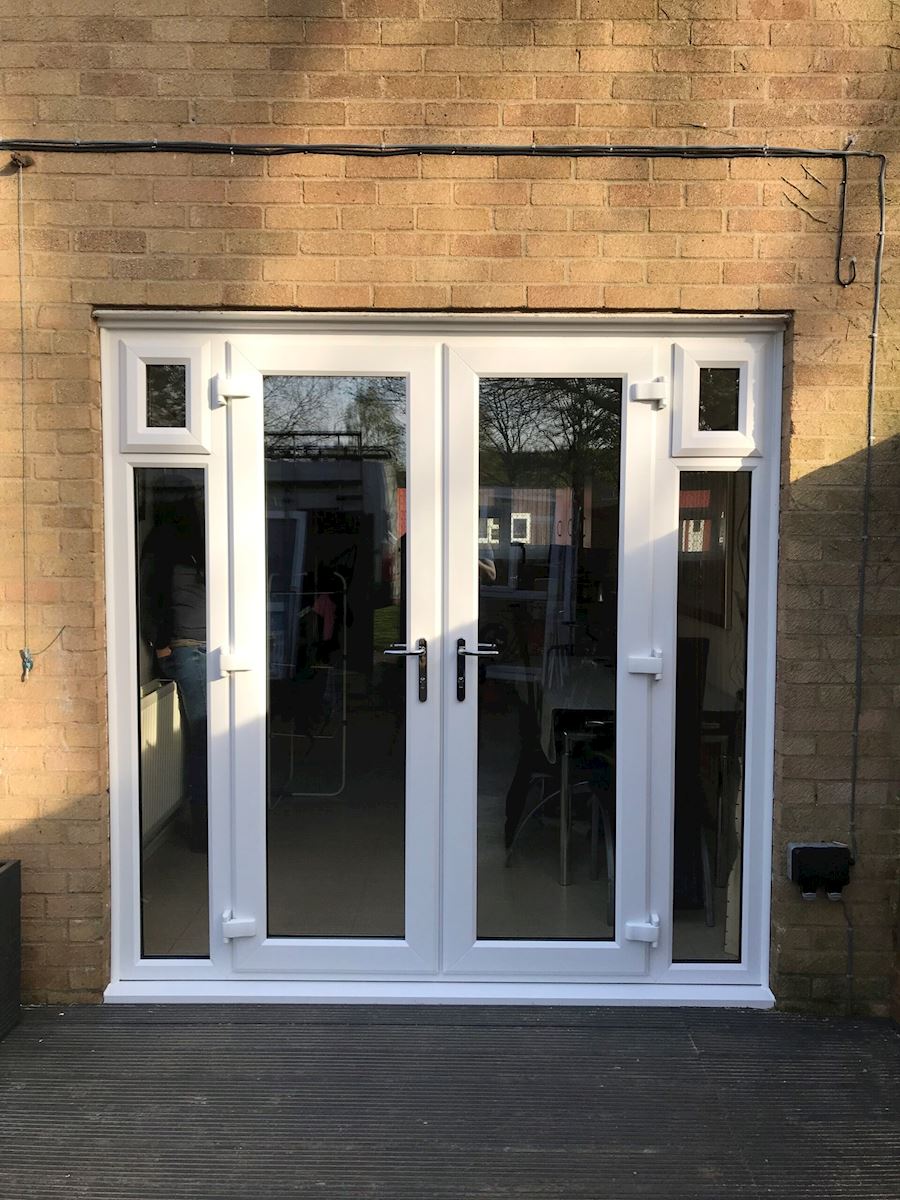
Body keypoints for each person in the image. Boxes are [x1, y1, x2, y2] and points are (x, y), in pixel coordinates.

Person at [140, 488, 208, 852]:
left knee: (210, 739)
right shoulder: (169, 551)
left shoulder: (193, 546)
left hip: (203, 650)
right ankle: (205, 829)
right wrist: (161, 642)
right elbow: (149, 599)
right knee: (204, 739)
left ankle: (210, 826)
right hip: (189, 650)